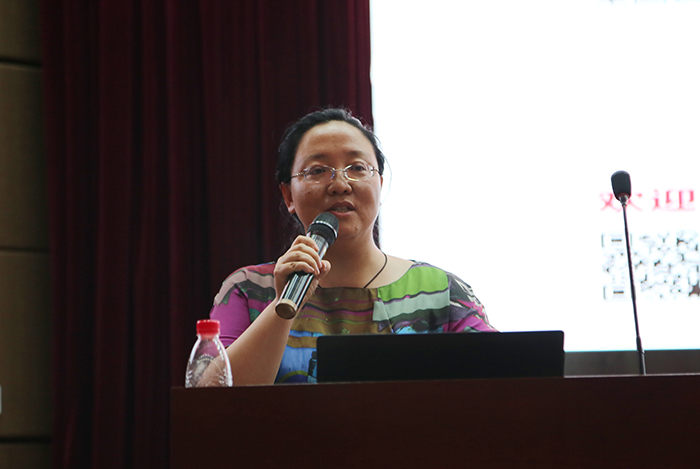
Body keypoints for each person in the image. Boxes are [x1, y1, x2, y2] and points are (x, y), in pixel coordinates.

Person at [210, 108, 496, 385]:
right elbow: (209, 400)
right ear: (288, 196)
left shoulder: (441, 292)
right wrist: (281, 307)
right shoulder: (249, 290)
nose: (340, 184)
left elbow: (504, 384)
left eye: (357, 168)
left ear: (380, 185)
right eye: (317, 170)